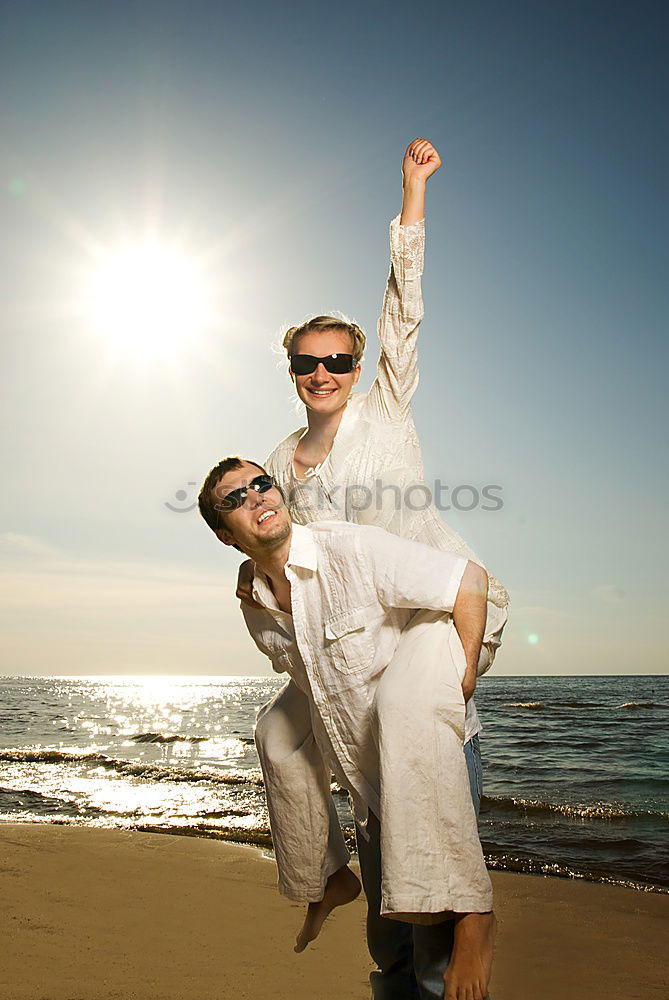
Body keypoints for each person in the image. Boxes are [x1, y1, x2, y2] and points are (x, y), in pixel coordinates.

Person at [234, 139, 508, 995]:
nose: (323, 372)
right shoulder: (280, 458)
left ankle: (470, 923)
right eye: (306, 362)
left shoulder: (385, 407)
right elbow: (286, 546)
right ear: (291, 372)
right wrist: (253, 568)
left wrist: (412, 193)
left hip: (433, 612)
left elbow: (403, 309)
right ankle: (329, 878)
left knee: (410, 741)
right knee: (280, 736)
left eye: (337, 360)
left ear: (357, 370)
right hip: (354, 640)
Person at [198, 458, 497, 1000]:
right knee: (390, 950)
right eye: (236, 498)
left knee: (435, 950)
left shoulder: (350, 550)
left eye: (262, 484)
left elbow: (467, 578)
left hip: (424, 750)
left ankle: (475, 915)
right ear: (225, 535)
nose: (258, 497)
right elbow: (315, 686)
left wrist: (464, 674)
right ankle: (327, 878)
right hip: (365, 775)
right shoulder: (257, 605)